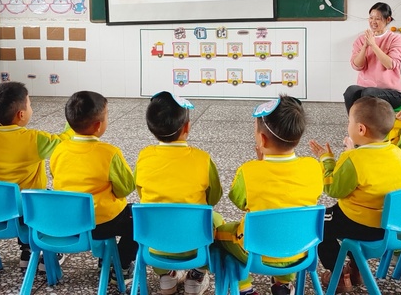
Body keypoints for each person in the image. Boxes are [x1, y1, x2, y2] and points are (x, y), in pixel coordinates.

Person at [216, 95, 323, 295]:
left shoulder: (248, 171)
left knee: (218, 235)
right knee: (289, 226)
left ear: (262, 139)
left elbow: (239, 201)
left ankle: (245, 287)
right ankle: (283, 284)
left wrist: (259, 165)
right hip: (301, 249)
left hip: (255, 251)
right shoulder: (313, 167)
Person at [309, 97, 401, 293]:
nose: (348, 126)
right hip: (388, 227)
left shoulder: (353, 159)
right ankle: (358, 270)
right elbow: (372, 165)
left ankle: (338, 274)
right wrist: (353, 153)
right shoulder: (397, 152)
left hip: (359, 224)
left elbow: (332, 189)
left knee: (319, 223)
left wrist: (327, 160)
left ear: (361, 129)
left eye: (349, 122)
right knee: (339, 218)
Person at [134, 91, 223, 295]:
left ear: (152, 128)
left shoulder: (144, 157)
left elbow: (139, 191)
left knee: (153, 217)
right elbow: (214, 197)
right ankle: (197, 275)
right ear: (187, 127)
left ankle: (166, 275)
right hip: (196, 243)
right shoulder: (203, 159)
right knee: (218, 221)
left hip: (155, 244)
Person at [50, 90, 137, 286]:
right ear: (98, 126)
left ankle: (105, 258)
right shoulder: (109, 153)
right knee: (136, 218)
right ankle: (121, 266)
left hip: (67, 221)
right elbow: (125, 188)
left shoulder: (59, 149)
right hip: (102, 224)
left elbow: (56, 176)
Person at [0, 81, 72, 268]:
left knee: (19, 199)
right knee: (52, 200)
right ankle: (50, 252)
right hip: (30, 206)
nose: (31, 107)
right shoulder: (32, 139)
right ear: (21, 114)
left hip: (2, 205)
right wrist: (72, 124)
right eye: (30, 104)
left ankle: (26, 251)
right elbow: (62, 142)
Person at [343, 2, 401, 112]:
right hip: (366, 88)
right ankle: (355, 124)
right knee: (351, 91)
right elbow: (357, 66)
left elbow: (390, 64)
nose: (373, 22)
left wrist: (373, 45)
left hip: (392, 93)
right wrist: (365, 46)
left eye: (377, 18)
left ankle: (370, 126)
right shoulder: (362, 39)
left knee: (368, 93)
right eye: (371, 18)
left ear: (388, 19)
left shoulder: (396, 39)